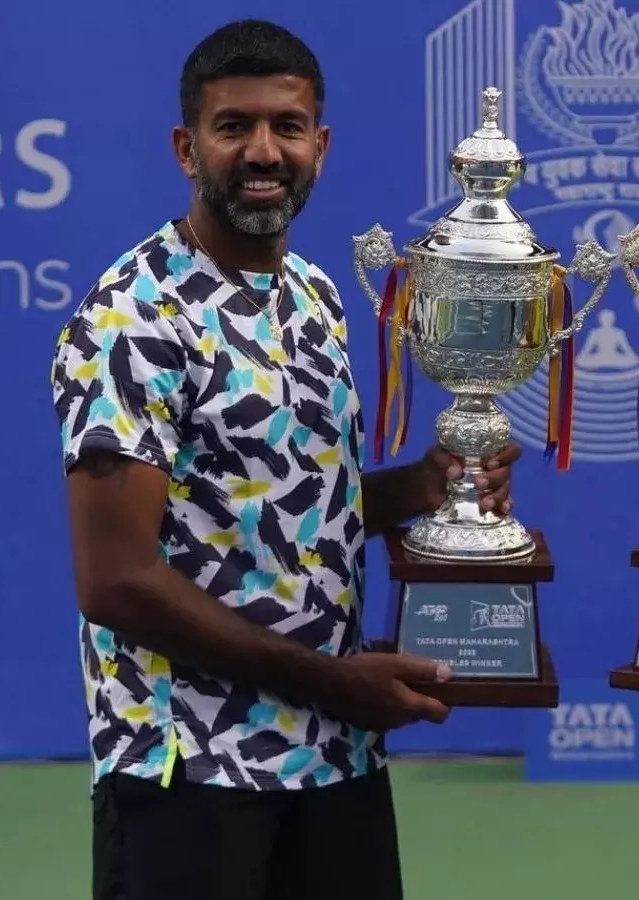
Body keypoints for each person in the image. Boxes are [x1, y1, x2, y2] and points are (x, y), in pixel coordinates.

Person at [50, 19, 521, 900]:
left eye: (287, 127)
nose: (263, 151)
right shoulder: (132, 317)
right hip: (188, 772)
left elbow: (292, 506)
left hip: (335, 763)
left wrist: (430, 487)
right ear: (187, 148)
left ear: (320, 147)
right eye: (234, 127)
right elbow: (115, 580)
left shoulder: (314, 295)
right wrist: (334, 683)